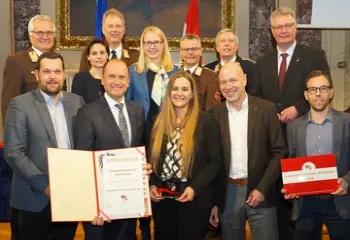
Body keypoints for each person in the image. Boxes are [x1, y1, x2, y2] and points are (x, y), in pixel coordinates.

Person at [251, 8, 331, 239]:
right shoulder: (262, 61)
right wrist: (268, 115)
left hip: (303, 136)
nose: (283, 30)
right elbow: (255, 96)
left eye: (288, 25)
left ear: (295, 28)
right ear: (271, 31)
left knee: (303, 200)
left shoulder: (314, 55)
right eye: (278, 27)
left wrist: (298, 108)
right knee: (278, 197)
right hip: (272, 140)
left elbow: (322, 89)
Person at [4, 52, 84, 240]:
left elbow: (83, 146)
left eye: (57, 71)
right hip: (33, 197)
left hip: (68, 198)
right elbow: (14, 152)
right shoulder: (20, 104)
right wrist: (45, 185)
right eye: (46, 71)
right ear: (37, 75)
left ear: (64, 75)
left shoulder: (77, 102)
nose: (52, 76)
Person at [209, 62, 286, 240]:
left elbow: (279, 152)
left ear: (244, 80)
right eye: (223, 82)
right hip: (227, 193)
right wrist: (214, 203)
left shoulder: (267, 109)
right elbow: (211, 160)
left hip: (261, 192)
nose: (228, 87)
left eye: (233, 80)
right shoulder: (213, 114)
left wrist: (262, 188)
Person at [74, 59, 147, 240]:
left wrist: (146, 166)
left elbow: (139, 149)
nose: (117, 81)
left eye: (122, 77)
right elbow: (83, 163)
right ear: (103, 80)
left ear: (128, 81)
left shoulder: (137, 111)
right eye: (111, 76)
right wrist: (91, 206)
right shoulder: (87, 113)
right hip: (101, 207)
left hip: (128, 203)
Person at [149, 71, 222, 240]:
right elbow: (150, 160)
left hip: (193, 201)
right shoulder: (156, 122)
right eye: (175, 88)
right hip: (162, 201)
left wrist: (194, 188)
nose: (179, 93)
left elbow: (215, 163)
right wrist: (152, 184)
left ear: (191, 94)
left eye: (184, 89)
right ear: (169, 93)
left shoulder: (206, 121)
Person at [283, 70, 350, 240]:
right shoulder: (294, 127)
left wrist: (347, 182)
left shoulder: (346, 122)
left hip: (339, 202)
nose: (318, 94)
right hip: (305, 205)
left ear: (331, 92)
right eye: (313, 89)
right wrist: (290, 186)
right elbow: (291, 161)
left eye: (323, 88)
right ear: (306, 95)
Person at [126, 25, 178, 240]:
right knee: (142, 186)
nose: (152, 46)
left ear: (164, 44)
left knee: (162, 185)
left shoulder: (175, 71)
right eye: (148, 42)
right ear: (142, 46)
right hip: (142, 138)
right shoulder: (133, 72)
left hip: (168, 139)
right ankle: (145, 229)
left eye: (157, 42)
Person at [1, 14, 56, 124]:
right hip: (28, 128)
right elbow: (9, 103)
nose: (45, 37)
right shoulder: (16, 61)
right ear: (30, 36)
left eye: (49, 33)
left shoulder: (57, 61)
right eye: (40, 33)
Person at [205, 28, 255, 94]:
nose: (227, 44)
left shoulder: (250, 67)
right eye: (223, 41)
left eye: (231, 41)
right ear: (217, 47)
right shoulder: (208, 69)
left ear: (237, 47)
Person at [179, 34, 220, 111]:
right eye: (186, 49)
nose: (190, 53)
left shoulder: (211, 77)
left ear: (201, 51)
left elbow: (212, 111)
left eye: (194, 49)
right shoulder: (174, 75)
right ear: (181, 52)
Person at [71, 39, 109, 103]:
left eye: (102, 53)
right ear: (88, 57)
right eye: (94, 53)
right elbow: (76, 104)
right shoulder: (80, 78)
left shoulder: (112, 78)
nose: (99, 57)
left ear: (107, 55)